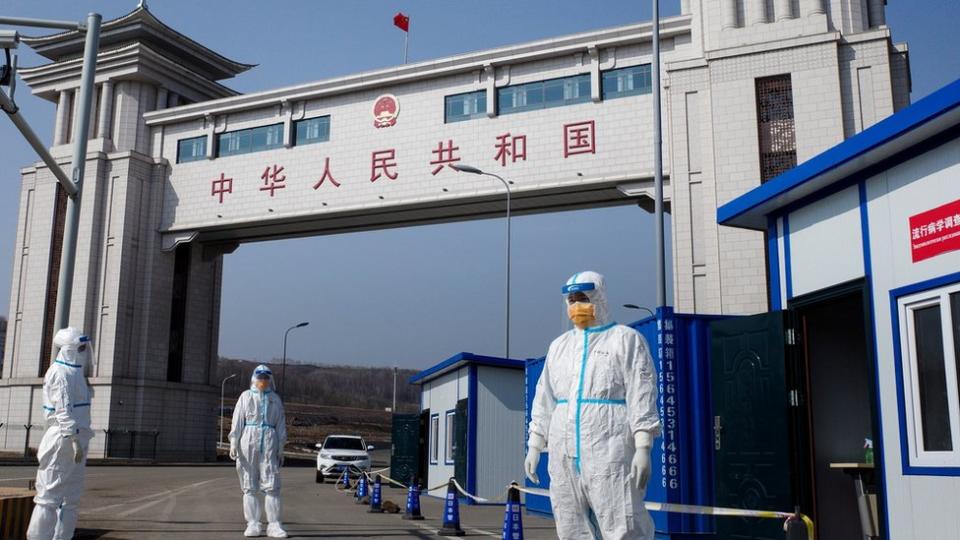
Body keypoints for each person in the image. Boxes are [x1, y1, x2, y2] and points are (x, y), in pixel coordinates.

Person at [525, 271, 661, 539]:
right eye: (571, 299)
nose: (576, 306)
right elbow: (544, 399)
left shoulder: (625, 340)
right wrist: (534, 444)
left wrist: (643, 445)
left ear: (599, 298)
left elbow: (641, 392)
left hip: (609, 451)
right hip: (563, 454)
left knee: (622, 520)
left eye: (583, 298)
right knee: (569, 522)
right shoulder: (559, 347)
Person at [27, 327, 95, 540]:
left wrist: (77, 439)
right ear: (69, 349)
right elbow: (63, 409)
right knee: (49, 496)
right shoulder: (59, 372)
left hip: (77, 438)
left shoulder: (75, 374)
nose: (84, 351)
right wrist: (72, 437)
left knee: (70, 498)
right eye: (80, 347)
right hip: (62, 439)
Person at [229, 365, 288, 538]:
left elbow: (281, 424)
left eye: (265, 377)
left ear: (270, 380)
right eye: (260, 377)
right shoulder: (245, 397)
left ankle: (274, 524)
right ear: (254, 378)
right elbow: (238, 419)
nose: (262, 381)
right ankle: (253, 523)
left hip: (270, 442)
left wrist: (281, 447)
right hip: (248, 442)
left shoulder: (275, 399)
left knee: (272, 484)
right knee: (249, 485)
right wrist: (234, 441)